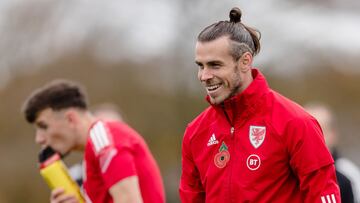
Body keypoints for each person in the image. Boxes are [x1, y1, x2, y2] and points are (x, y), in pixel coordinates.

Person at [179, 7, 341, 203]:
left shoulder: (296, 123)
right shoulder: (196, 132)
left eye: (215, 65)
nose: (204, 76)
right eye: (200, 65)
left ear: (245, 61)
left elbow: (323, 194)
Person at [22, 79, 165, 203]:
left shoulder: (103, 139)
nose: (39, 138)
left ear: (70, 119)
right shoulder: (92, 153)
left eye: (43, 126)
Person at [305, 102, 360, 203]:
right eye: (306, 132)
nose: (312, 138)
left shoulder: (348, 174)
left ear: (333, 134)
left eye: (319, 130)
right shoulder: (290, 175)